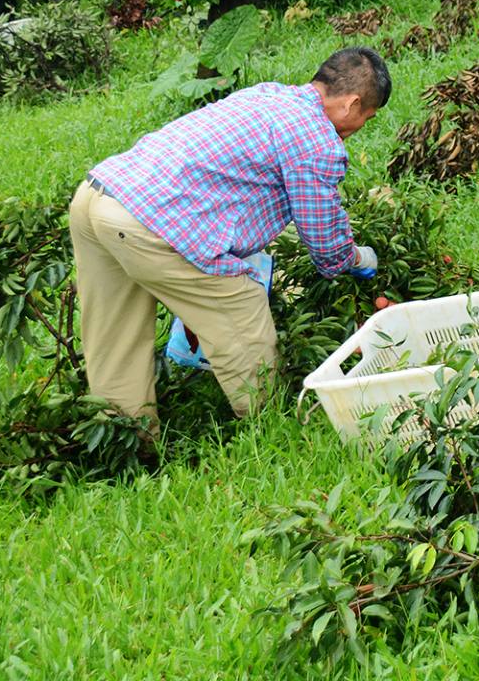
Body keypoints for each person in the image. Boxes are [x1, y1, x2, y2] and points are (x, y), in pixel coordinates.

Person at [69, 48, 393, 421]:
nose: (360, 127)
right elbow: (326, 247)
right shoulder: (317, 141)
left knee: (115, 337)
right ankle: (269, 429)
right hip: (152, 225)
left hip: (99, 196)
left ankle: (125, 443)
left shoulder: (268, 95)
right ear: (352, 104)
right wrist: (356, 258)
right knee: (240, 309)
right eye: (367, 118)